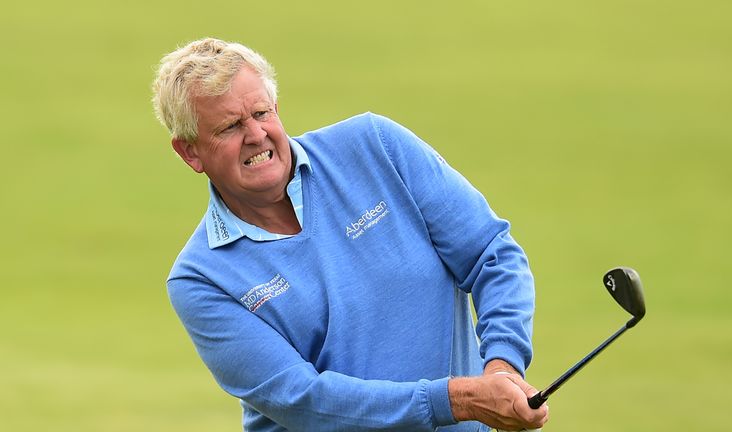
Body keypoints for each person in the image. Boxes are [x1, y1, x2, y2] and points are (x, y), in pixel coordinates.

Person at [152, 37, 549, 432]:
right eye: (230, 126)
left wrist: (502, 364)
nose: (256, 135)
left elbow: (491, 254)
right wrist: (458, 400)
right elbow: (305, 400)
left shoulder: (375, 146)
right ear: (190, 152)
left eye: (261, 112)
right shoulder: (200, 279)